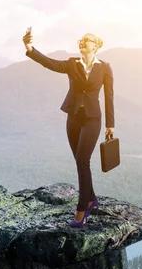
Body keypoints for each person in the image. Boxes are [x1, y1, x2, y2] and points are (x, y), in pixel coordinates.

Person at [22, 28, 115, 228]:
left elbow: (109, 97)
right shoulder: (72, 64)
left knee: (83, 160)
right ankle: (91, 198)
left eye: (87, 40)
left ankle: (82, 209)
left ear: (96, 45)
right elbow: (50, 63)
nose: (82, 42)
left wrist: (110, 124)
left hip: (92, 119)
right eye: (80, 40)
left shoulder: (105, 67)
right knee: (79, 161)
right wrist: (29, 48)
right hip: (73, 118)